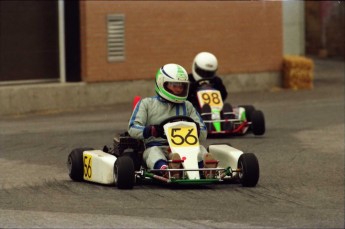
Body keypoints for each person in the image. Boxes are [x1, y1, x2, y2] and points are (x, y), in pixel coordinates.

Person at [128, 63, 217, 179]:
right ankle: (167, 169)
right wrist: (151, 130)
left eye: (181, 86)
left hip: (187, 147)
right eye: (174, 85)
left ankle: (205, 168)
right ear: (161, 83)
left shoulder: (188, 106)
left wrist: (197, 130)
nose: (178, 89)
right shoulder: (147, 104)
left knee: (200, 149)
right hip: (158, 146)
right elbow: (132, 128)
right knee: (153, 152)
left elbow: (203, 131)